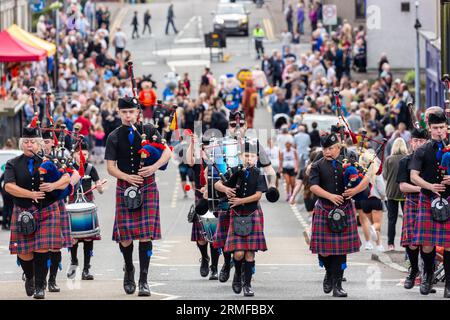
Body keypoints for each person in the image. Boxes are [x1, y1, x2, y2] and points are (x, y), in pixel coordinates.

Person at [105, 96, 172, 296]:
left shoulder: (149, 131)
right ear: (119, 113)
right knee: (125, 236)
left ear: (137, 113)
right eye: (124, 112)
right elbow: (110, 167)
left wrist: (153, 167)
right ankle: (129, 270)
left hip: (147, 185)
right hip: (125, 186)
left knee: (145, 235)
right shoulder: (114, 136)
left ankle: (143, 279)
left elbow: (167, 152)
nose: (128, 115)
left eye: (131, 112)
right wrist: (127, 177)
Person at [4, 127, 72, 299]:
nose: (29, 145)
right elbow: (8, 186)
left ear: (39, 143)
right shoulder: (13, 163)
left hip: (47, 209)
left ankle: (40, 287)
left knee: (42, 248)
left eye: (33, 142)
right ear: (21, 144)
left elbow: (66, 178)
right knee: (24, 253)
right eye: (26, 142)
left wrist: (53, 186)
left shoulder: (49, 160)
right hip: (23, 211)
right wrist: (31, 194)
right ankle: (30, 277)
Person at [309, 133, 369, 297]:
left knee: (340, 251)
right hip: (324, 208)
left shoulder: (348, 161)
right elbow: (313, 187)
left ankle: (337, 284)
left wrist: (355, 190)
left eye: (330, 149)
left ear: (338, 147)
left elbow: (366, 178)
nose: (327, 152)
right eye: (324, 149)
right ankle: (329, 272)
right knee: (325, 251)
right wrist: (330, 196)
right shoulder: (318, 165)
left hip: (344, 209)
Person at [214, 139, 268, 297]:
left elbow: (258, 195)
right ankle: (237, 275)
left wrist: (240, 201)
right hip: (237, 215)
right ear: (240, 156)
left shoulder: (259, 174)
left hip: (252, 214)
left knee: (250, 253)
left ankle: (247, 285)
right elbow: (218, 184)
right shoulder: (235, 171)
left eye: (252, 156)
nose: (249, 158)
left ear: (256, 158)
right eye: (246, 155)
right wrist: (226, 189)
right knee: (238, 254)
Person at [410, 111, 450, 298]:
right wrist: (429, 186)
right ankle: (427, 275)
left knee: (449, 244)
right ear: (430, 129)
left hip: (448, 199)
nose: (439, 131)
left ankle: (449, 284)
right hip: (428, 198)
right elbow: (413, 176)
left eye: (442, 127)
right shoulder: (422, 150)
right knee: (426, 244)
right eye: (435, 128)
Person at [396, 127, 428, 290]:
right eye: (416, 140)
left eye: (422, 141)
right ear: (411, 142)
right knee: (412, 241)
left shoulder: (431, 160)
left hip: (430, 202)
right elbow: (402, 186)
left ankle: (426, 275)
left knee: (427, 242)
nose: (418, 143)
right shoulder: (405, 161)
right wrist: (423, 188)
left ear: (427, 142)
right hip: (413, 202)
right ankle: (414, 270)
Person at [67, 141, 104, 281]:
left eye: (86, 153)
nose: (83, 155)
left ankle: (86, 269)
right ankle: (74, 262)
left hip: (87, 204)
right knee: (73, 238)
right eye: (79, 153)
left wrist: (99, 186)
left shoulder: (90, 168)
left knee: (89, 237)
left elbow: (100, 190)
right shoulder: (69, 169)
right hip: (72, 204)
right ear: (74, 154)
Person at [383, 138, 408, 251]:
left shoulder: (389, 159)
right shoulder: (407, 158)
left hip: (391, 192)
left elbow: (384, 175)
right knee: (406, 218)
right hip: (404, 192)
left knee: (391, 219)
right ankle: (405, 241)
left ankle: (390, 244)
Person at [359, 150, 386, 252]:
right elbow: (381, 189)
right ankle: (378, 244)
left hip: (364, 201)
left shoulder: (360, 173)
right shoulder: (376, 173)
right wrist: (383, 197)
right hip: (375, 199)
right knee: (377, 224)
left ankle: (379, 244)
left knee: (372, 223)